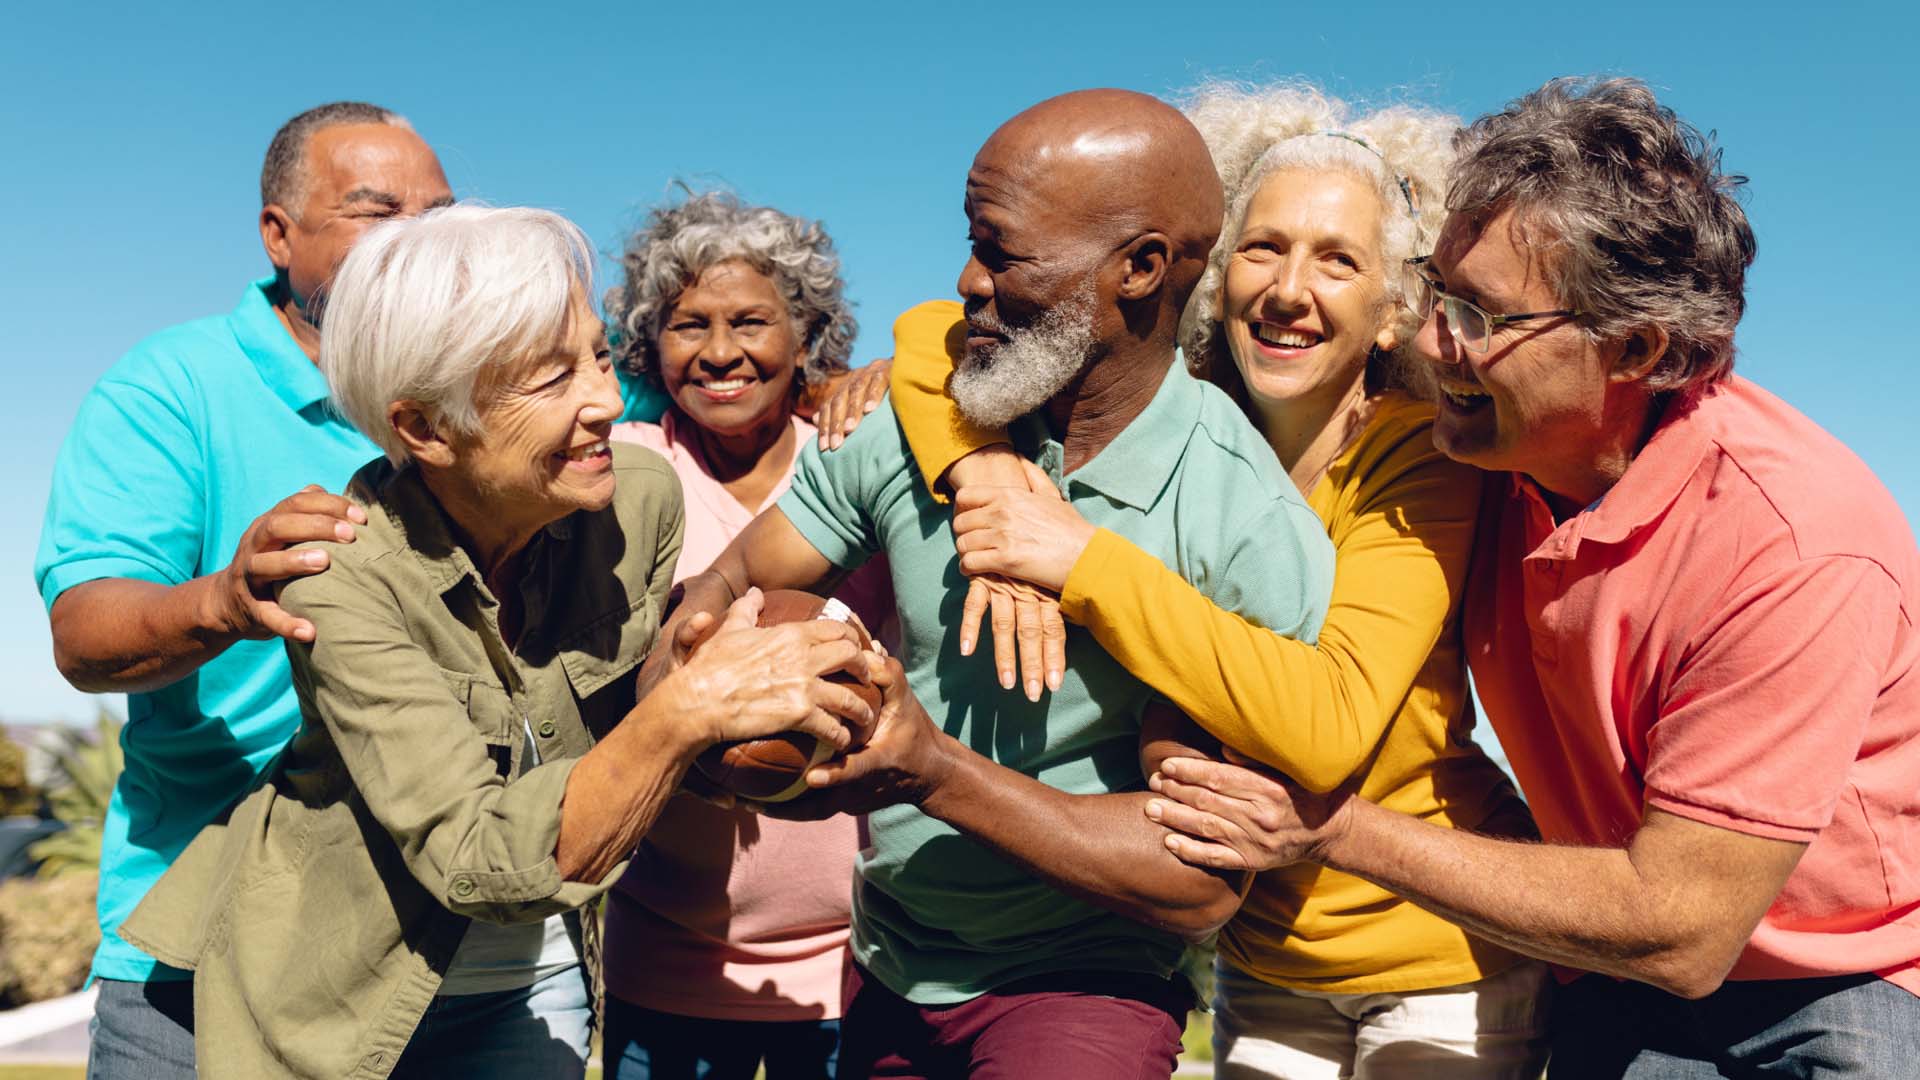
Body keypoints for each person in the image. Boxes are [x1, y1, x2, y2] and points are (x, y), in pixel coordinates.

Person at [1146, 77, 1920, 1077]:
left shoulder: (1794, 546)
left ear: (1634, 348)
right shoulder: (1484, 460)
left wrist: (1330, 828)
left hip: (1826, 975)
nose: (1434, 342)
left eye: (1478, 316)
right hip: (1599, 957)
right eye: (1437, 291)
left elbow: (1680, 928)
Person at [852, 82, 1549, 1078]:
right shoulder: (1197, 420)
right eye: (1263, 248)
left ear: (1397, 308)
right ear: (1210, 273)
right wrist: (983, 464)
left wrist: (1082, 561)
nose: (1288, 289)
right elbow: (928, 332)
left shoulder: (1418, 460)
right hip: (1265, 957)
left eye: (1338, 260)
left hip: (1435, 952)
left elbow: (1328, 723)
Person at [651, 88, 1336, 1079]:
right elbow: (733, 581)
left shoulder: (1242, 523)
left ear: (1139, 269)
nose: (967, 280)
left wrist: (932, 771)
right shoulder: (907, 427)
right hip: (885, 966)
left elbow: (1199, 882)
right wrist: (731, 709)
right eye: (969, 241)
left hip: (1082, 991)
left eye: (1003, 253)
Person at [116, 204, 879, 1080]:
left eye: (596, 356)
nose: (601, 400)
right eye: (549, 380)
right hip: (333, 996)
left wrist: (738, 678)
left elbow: (636, 708)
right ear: (426, 428)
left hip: (536, 975)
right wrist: (694, 709)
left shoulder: (636, 497)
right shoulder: (338, 574)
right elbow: (480, 860)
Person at [33, 101, 452, 1079]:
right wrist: (226, 599)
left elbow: (681, 389)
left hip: (451, 960)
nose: (419, 249)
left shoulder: (488, 387)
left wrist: (822, 390)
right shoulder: (169, 391)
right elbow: (85, 635)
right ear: (279, 234)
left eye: (439, 221)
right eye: (377, 213)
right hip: (198, 956)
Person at [600, 190, 892, 1080]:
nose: (721, 352)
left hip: (859, 960)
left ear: (806, 340)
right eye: (689, 325)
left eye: (751, 322)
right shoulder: (623, 470)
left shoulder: (864, 460)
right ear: (653, 345)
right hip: (664, 956)